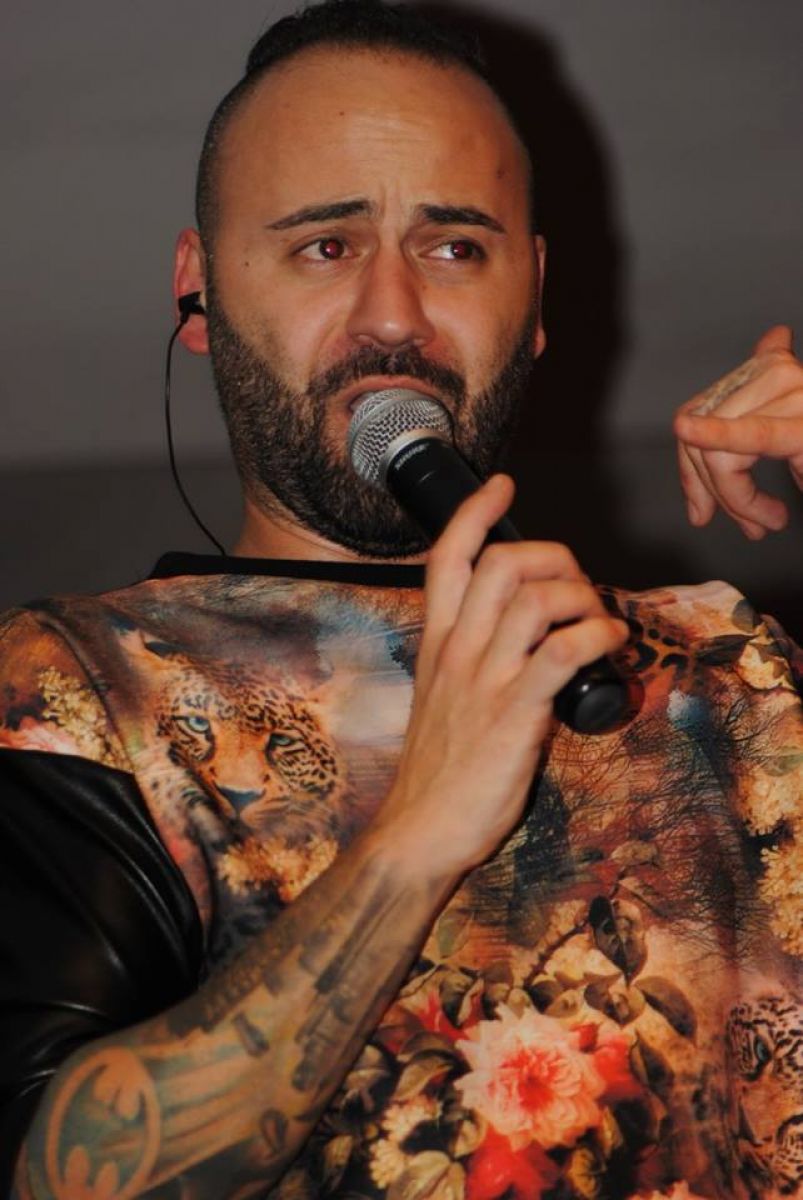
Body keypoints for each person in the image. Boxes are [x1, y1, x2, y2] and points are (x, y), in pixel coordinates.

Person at [1, 2, 801, 1197]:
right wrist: (415, 837)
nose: (392, 316)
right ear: (199, 291)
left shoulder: (726, 669)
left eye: (453, 248)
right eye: (325, 246)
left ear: (534, 295)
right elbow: (52, 1172)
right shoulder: (75, 682)